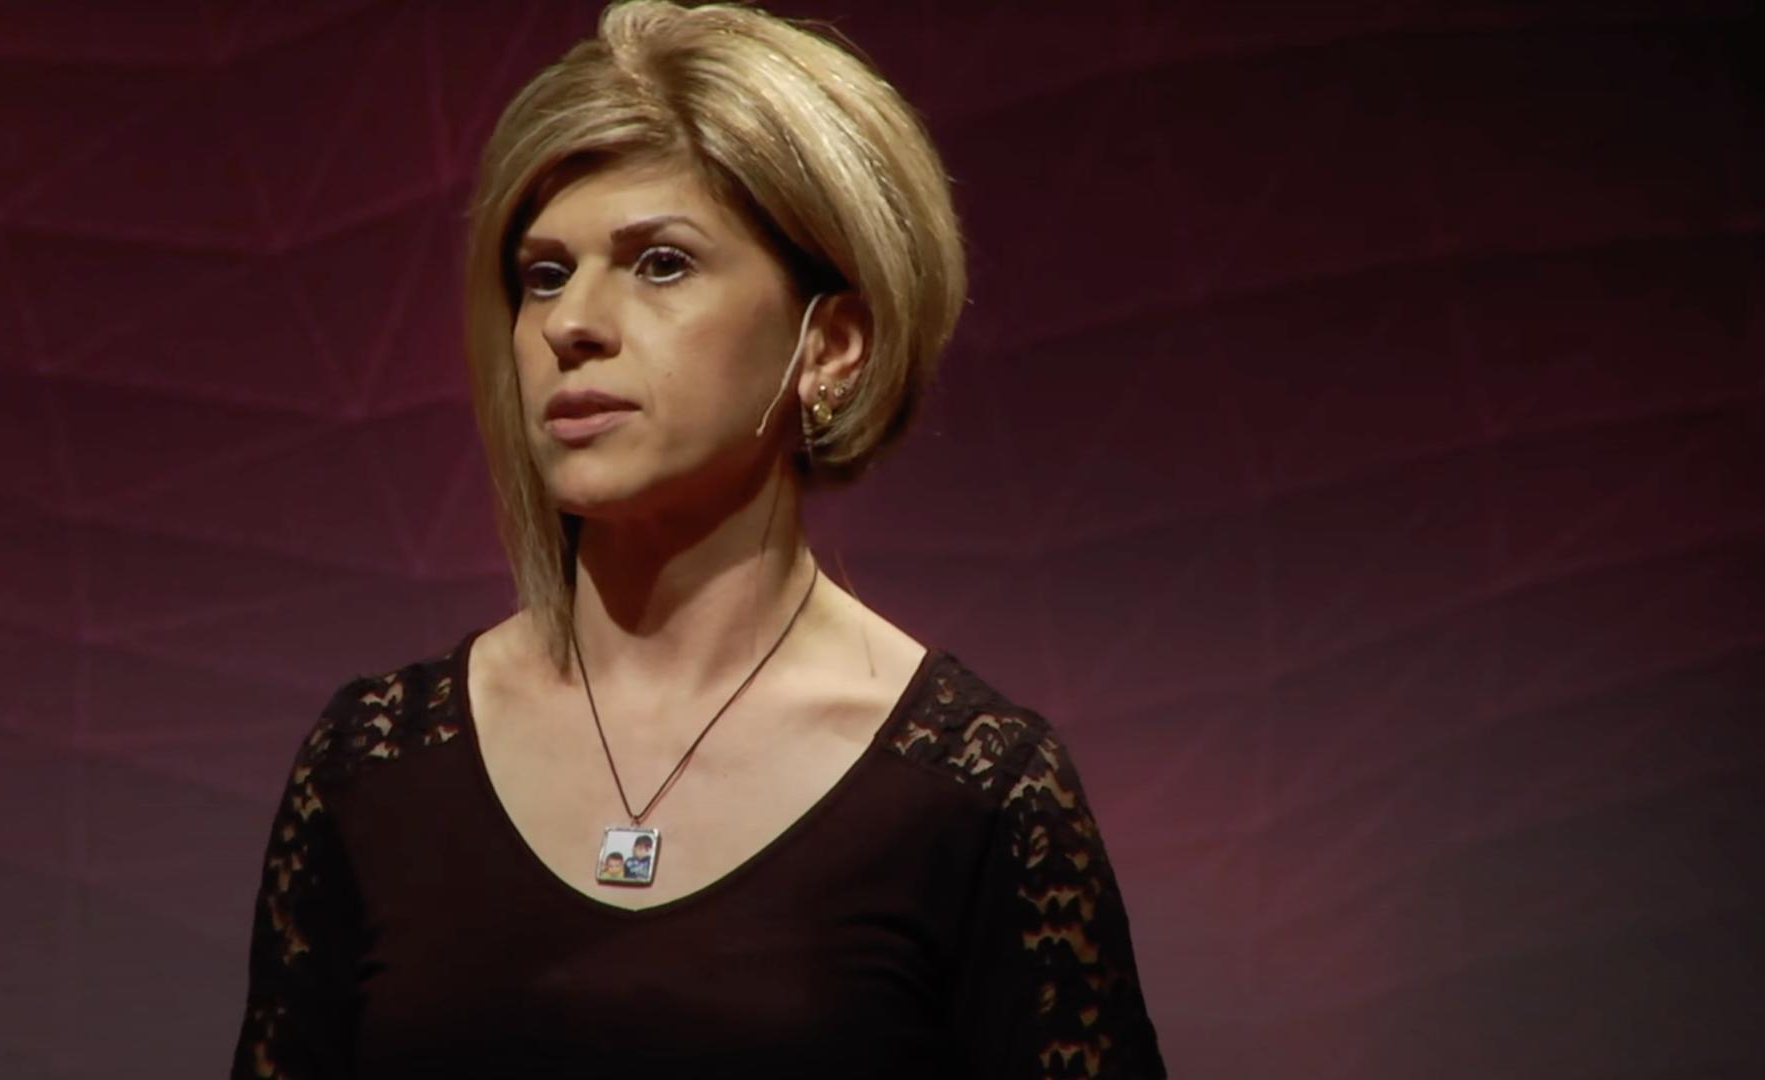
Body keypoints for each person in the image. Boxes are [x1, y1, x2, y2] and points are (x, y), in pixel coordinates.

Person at [230, 2, 1165, 1076]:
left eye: (661, 264)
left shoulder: (974, 794)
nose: (571, 324)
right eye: (545, 274)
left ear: (832, 344)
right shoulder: (375, 764)